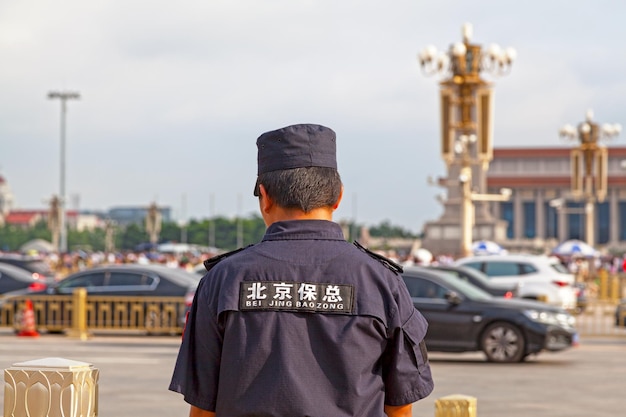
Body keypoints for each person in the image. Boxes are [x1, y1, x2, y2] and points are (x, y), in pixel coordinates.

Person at [169, 123, 434, 417]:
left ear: (265, 196)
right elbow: (400, 406)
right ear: (338, 198)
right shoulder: (381, 281)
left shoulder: (224, 280)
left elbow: (203, 408)